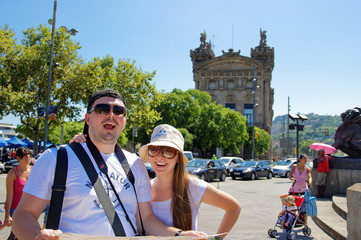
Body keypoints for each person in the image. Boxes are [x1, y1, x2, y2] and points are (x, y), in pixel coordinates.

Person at [12, 89, 207, 240]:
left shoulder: (136, 165)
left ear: (124, 121)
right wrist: (36, 236)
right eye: (102, 109)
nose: (111, 114)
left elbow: (146, 220)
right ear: (87, 118)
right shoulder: (56, 158)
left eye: (118, 110)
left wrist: (179, 235)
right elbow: (23, 215)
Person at [71, 124, 241, 239]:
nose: (160, 157)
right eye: (155, 150)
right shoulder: (144, 187)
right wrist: (86, 141)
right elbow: (109, 153)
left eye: (168, 151)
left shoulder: (193, 187)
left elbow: (233, 208)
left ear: (178, 158)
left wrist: (217, 238)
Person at [3, 147, 32, 237]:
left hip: (29, 209)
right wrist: (7, 215)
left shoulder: (31, 170)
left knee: (26, 234)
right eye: (24, 155)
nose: (28, 157)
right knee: (17, 234)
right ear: (18, 158)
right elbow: (9, 195)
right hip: (15, 209)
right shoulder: (12, 173)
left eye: (29, 154)